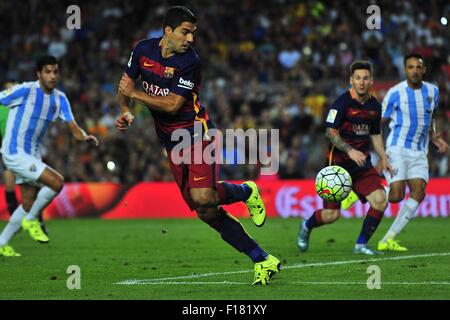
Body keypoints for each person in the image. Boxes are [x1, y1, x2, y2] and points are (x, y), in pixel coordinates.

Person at [116, 6, 281, 285]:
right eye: (185, 32)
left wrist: (135, 94)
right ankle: (261, 253)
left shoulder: (190, 61)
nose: (190, 39)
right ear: (168, 31)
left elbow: (172, 104)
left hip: (195, 133)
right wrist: (126, 110)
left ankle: (247, 200)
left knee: (204, 197)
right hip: (171, 142)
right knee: (203, 209)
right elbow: (125, 86)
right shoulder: (143, 50)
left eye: (193, 33)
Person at [0, 56, 98, 257]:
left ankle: (2, 242)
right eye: (47, 71)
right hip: (14, 152)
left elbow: (73, 126)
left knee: (27, 203)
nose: (52, 76)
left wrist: (85, 136)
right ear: (38, 73)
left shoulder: (60, 99)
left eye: (55, 71)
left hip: (32, 155)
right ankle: (32, 220)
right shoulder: (25, 90)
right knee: (57, 182)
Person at [297, 61, 393, 255]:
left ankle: (361, 245)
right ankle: (306, 226)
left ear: (371, 80)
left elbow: (375, 133)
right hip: (338, 167)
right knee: (332, 215)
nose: (362, 82)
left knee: (380, 200)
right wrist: (349, 151)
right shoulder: (342, 103)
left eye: (365, 78)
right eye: (357, 78)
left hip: (362, 165)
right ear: (351, 80)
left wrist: (383, 156)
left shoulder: (375, 106)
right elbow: (330, 133)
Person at [376, 53, 447, 251]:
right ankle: (364, 191)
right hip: (397, 147)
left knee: (419, 192)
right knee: (397, 195)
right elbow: (378, 124)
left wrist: (435, 136)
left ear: (424, 70)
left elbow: (433, 115)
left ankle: (387, 239)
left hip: (419, 151)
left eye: (418, 67)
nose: (415, 70)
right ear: (405, 70)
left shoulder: (433, 91)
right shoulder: (395, 93)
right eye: (411, 67)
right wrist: (382, 154)